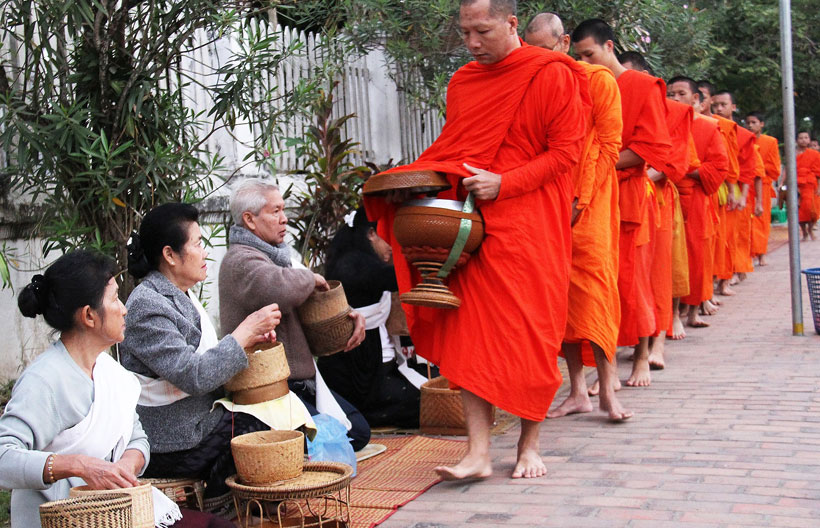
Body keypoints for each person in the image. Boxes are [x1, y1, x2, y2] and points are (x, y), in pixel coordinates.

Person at [366, 0, 590, 480]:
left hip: (532, 225)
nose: (471, 43)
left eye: (482, 32)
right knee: (470, 337)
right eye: (465, 32)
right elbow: (456, 150)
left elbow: (567, 153)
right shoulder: (464, 81)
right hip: (472, 231)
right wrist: (406, 183)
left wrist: (504, 184)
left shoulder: (552, 73)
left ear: (511, 24)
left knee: (531, 335)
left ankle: (529, 446)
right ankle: (478, 453)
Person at [120, 203, 283, 501]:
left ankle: (254, 504)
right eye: (197, 244)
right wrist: (244, 331)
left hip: (199, 415)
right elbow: (194, 374)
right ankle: (220, 507)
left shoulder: (179, 293)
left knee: (278, 414)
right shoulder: (146, 306)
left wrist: (250, 340)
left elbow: (206, 359)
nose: (205, 252)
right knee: (255, 429)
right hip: (169, 439)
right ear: (170, 255)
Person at [524, 12, 631, 421]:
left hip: (591, 206)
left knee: (597, 295)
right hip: (549, 204)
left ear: (564, 44)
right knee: (559, 299)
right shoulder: (533, 85)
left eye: (545, 51)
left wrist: (580, 198)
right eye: (531, 54)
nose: (538, 60)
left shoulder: (597, 80)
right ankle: (576, 389)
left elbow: (608, 144)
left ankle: (606, 388)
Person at [218, 179, 371, 451]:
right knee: (346, 436)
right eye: (275, 211)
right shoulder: (240, 259)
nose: (284, 219)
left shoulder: (277, 255)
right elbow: (282, 287)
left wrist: (348, 317)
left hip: (301, 382)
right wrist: (310, 277)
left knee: (356, 430)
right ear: (249, 220)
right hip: (268, 389)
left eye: (283, 210)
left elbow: (310, 295)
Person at [572, 19, 672, 388]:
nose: (584, 62)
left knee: (632, 283)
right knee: (596, 285)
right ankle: (604, 368)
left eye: (590, 54)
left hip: (628, 195)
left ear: (609, 47)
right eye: (579, 55)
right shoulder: (583, 84)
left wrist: (596, 160)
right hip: (590, 194)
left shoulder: (642, 86)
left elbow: (653, 148)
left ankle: (642, 357)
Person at [317, 209, 429, 428]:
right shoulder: (353, 264)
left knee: (430, 384)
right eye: (390, 237)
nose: (392, 246)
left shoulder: (357, 260)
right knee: (425, 402)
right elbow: (400, 278)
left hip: (370, 362)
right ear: (371, 234)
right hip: (357, 371)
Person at [620, 52, 692, 368]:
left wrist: (634, 174)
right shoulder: (609, 97)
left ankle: (657, 342)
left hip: (656, 198)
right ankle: (629, 341)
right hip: (620, 194)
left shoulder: (673, 113)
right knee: (625, 274)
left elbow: (671, 162)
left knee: (657, 273)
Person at [667, 76, 729, 330]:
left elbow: (719, 166)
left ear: (696, 100)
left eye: (681, 93)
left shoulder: (707, 127)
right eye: (671, 93)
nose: (675, 99)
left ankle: (692, 310)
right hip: (669, 196)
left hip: (696, 200)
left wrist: (687, 168)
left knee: (696, 256)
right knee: (670, 258)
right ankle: (672, 314)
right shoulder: (664, 122)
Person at [698, 81, 739, 298]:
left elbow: (729, 160)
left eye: (703, 96)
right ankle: (706, 291)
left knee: (722, 237)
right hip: (698, 185)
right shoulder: (685, 120)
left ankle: (720, 283)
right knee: (706, 240)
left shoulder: (723, 126)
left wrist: (733, 190)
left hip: (719, 185)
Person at [713, 90, 759, 281]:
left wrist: (742, 194)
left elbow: (748, 168)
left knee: (733, 235)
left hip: (735, 188)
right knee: (718, 236)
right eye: (716, 105)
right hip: (715, 185)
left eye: (724, 104)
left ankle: (731, 272)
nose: (719, 108)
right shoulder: (711, 126)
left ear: (733, 107)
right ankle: (721, 275)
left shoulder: (744, 135)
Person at [745, 112, 781, 265]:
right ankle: (749, 253)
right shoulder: (744, 139)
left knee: (761, 221)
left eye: (754, 122)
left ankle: (761, 254)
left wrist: (757, 164)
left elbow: (775, 168)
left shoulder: (770, 142)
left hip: (763, 185)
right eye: (748, 122)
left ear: (762, 124)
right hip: (746, 186)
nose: (750, 125)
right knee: (747, 222)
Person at [796, 131, 820, 240]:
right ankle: (804, 232)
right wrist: (783, 183)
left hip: (811, 185)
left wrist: (819, 187)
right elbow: (788, 169)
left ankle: (810, 229)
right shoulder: (793, 154)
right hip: (797, 185)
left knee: (813, 210)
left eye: (806, 137)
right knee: (800, 210)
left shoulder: (814, 154)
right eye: (801, 138)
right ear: (797, 140)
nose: (803, 140)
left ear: (809, 140)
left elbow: (818, 172)